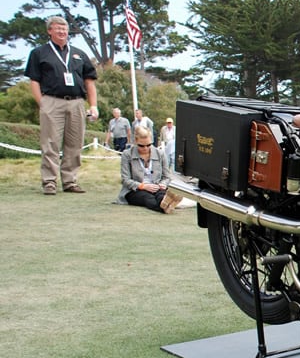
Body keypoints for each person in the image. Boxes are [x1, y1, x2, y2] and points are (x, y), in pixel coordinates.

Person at [24, 16, 99, 195]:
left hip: (76, 101)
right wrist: (42, 103)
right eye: (58, 28)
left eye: (64, 29)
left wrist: (93, 105)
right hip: (52, 100)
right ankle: (49, 182)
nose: (62, 32)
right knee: (50, 143)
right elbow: (34, 81)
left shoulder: (79, 54)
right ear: (49, 31)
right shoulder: (39, 53)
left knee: (75, 143)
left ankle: (70, 181)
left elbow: (89, 81)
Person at [117, 126, 182, 213]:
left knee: (161, 196)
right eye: (141, 146)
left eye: (148, 145)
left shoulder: (160, 154)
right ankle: (165, 207)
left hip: (157, 187)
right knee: (147, 198)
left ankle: (166, 204)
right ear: (135, 141)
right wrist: (143, 186)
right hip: (135, 190)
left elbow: (167, 176)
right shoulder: (127, 154)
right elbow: (125, 180)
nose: (145, 148)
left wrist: (163, 184)